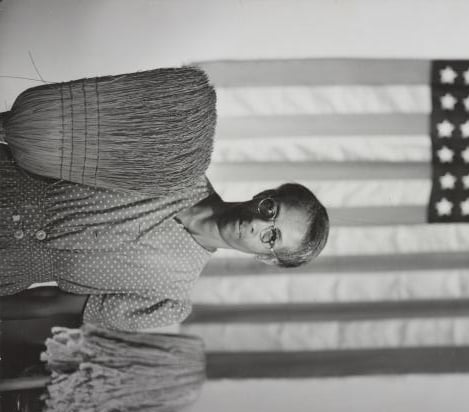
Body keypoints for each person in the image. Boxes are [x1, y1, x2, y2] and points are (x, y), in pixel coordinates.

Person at [0, 68, 330, 332]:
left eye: (272, 237)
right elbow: (66, 142)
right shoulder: (176, 161)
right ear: (263, 195)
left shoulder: (169, 298)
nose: (258, 223)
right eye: (270, 209)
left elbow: (48, 303)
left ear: (268, 258)